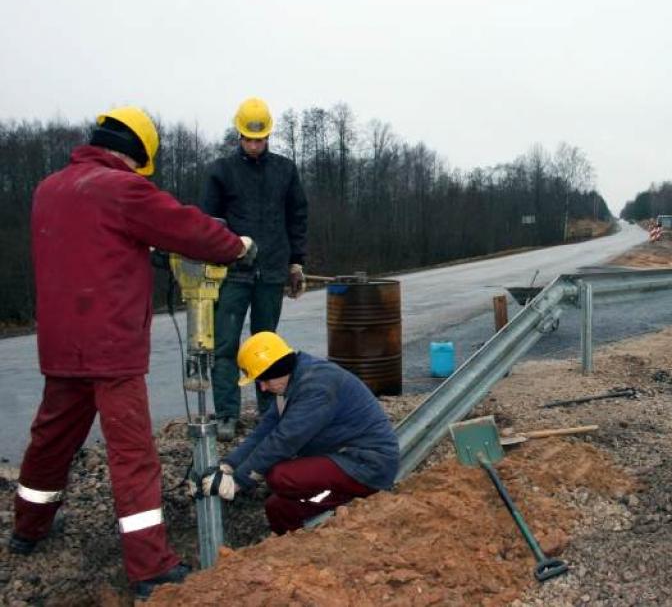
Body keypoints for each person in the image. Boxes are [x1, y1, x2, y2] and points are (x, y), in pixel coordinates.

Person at [11, 107, 254, 600]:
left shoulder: (49, 189)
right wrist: (236, 246)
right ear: (138, 153)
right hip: (111, 348)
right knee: (133, 456)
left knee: (50, 440)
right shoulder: (122, 189)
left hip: (61, 345)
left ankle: (27, 529)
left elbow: (90, 247)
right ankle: (149, 569)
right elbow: (189, 229)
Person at [201, 332, 398, 534]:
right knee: (277, 508)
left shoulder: (316, 387)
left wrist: (239, 481)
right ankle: (295, 550)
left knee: (280, 476)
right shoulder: (291, 382)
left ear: (277, 368)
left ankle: (348, 501)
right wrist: (229, 465)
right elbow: (264, 431)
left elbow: (285, 440)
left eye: (264, 380)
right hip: (342, 459)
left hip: (367, 463)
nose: (263, 387)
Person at [202, 97, 309, 442]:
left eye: (259, 139)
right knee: (225, 344)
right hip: (233, 273)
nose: (254, 144)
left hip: (272, 271)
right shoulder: (222, 171)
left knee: (267, 344)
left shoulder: (285, 170)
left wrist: (296, 262)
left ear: (268, 136)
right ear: (239, 135)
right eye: (248, 138)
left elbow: (297, 217)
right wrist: (219, 256)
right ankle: (226, 415)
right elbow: (209, 222)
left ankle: (268, 411)